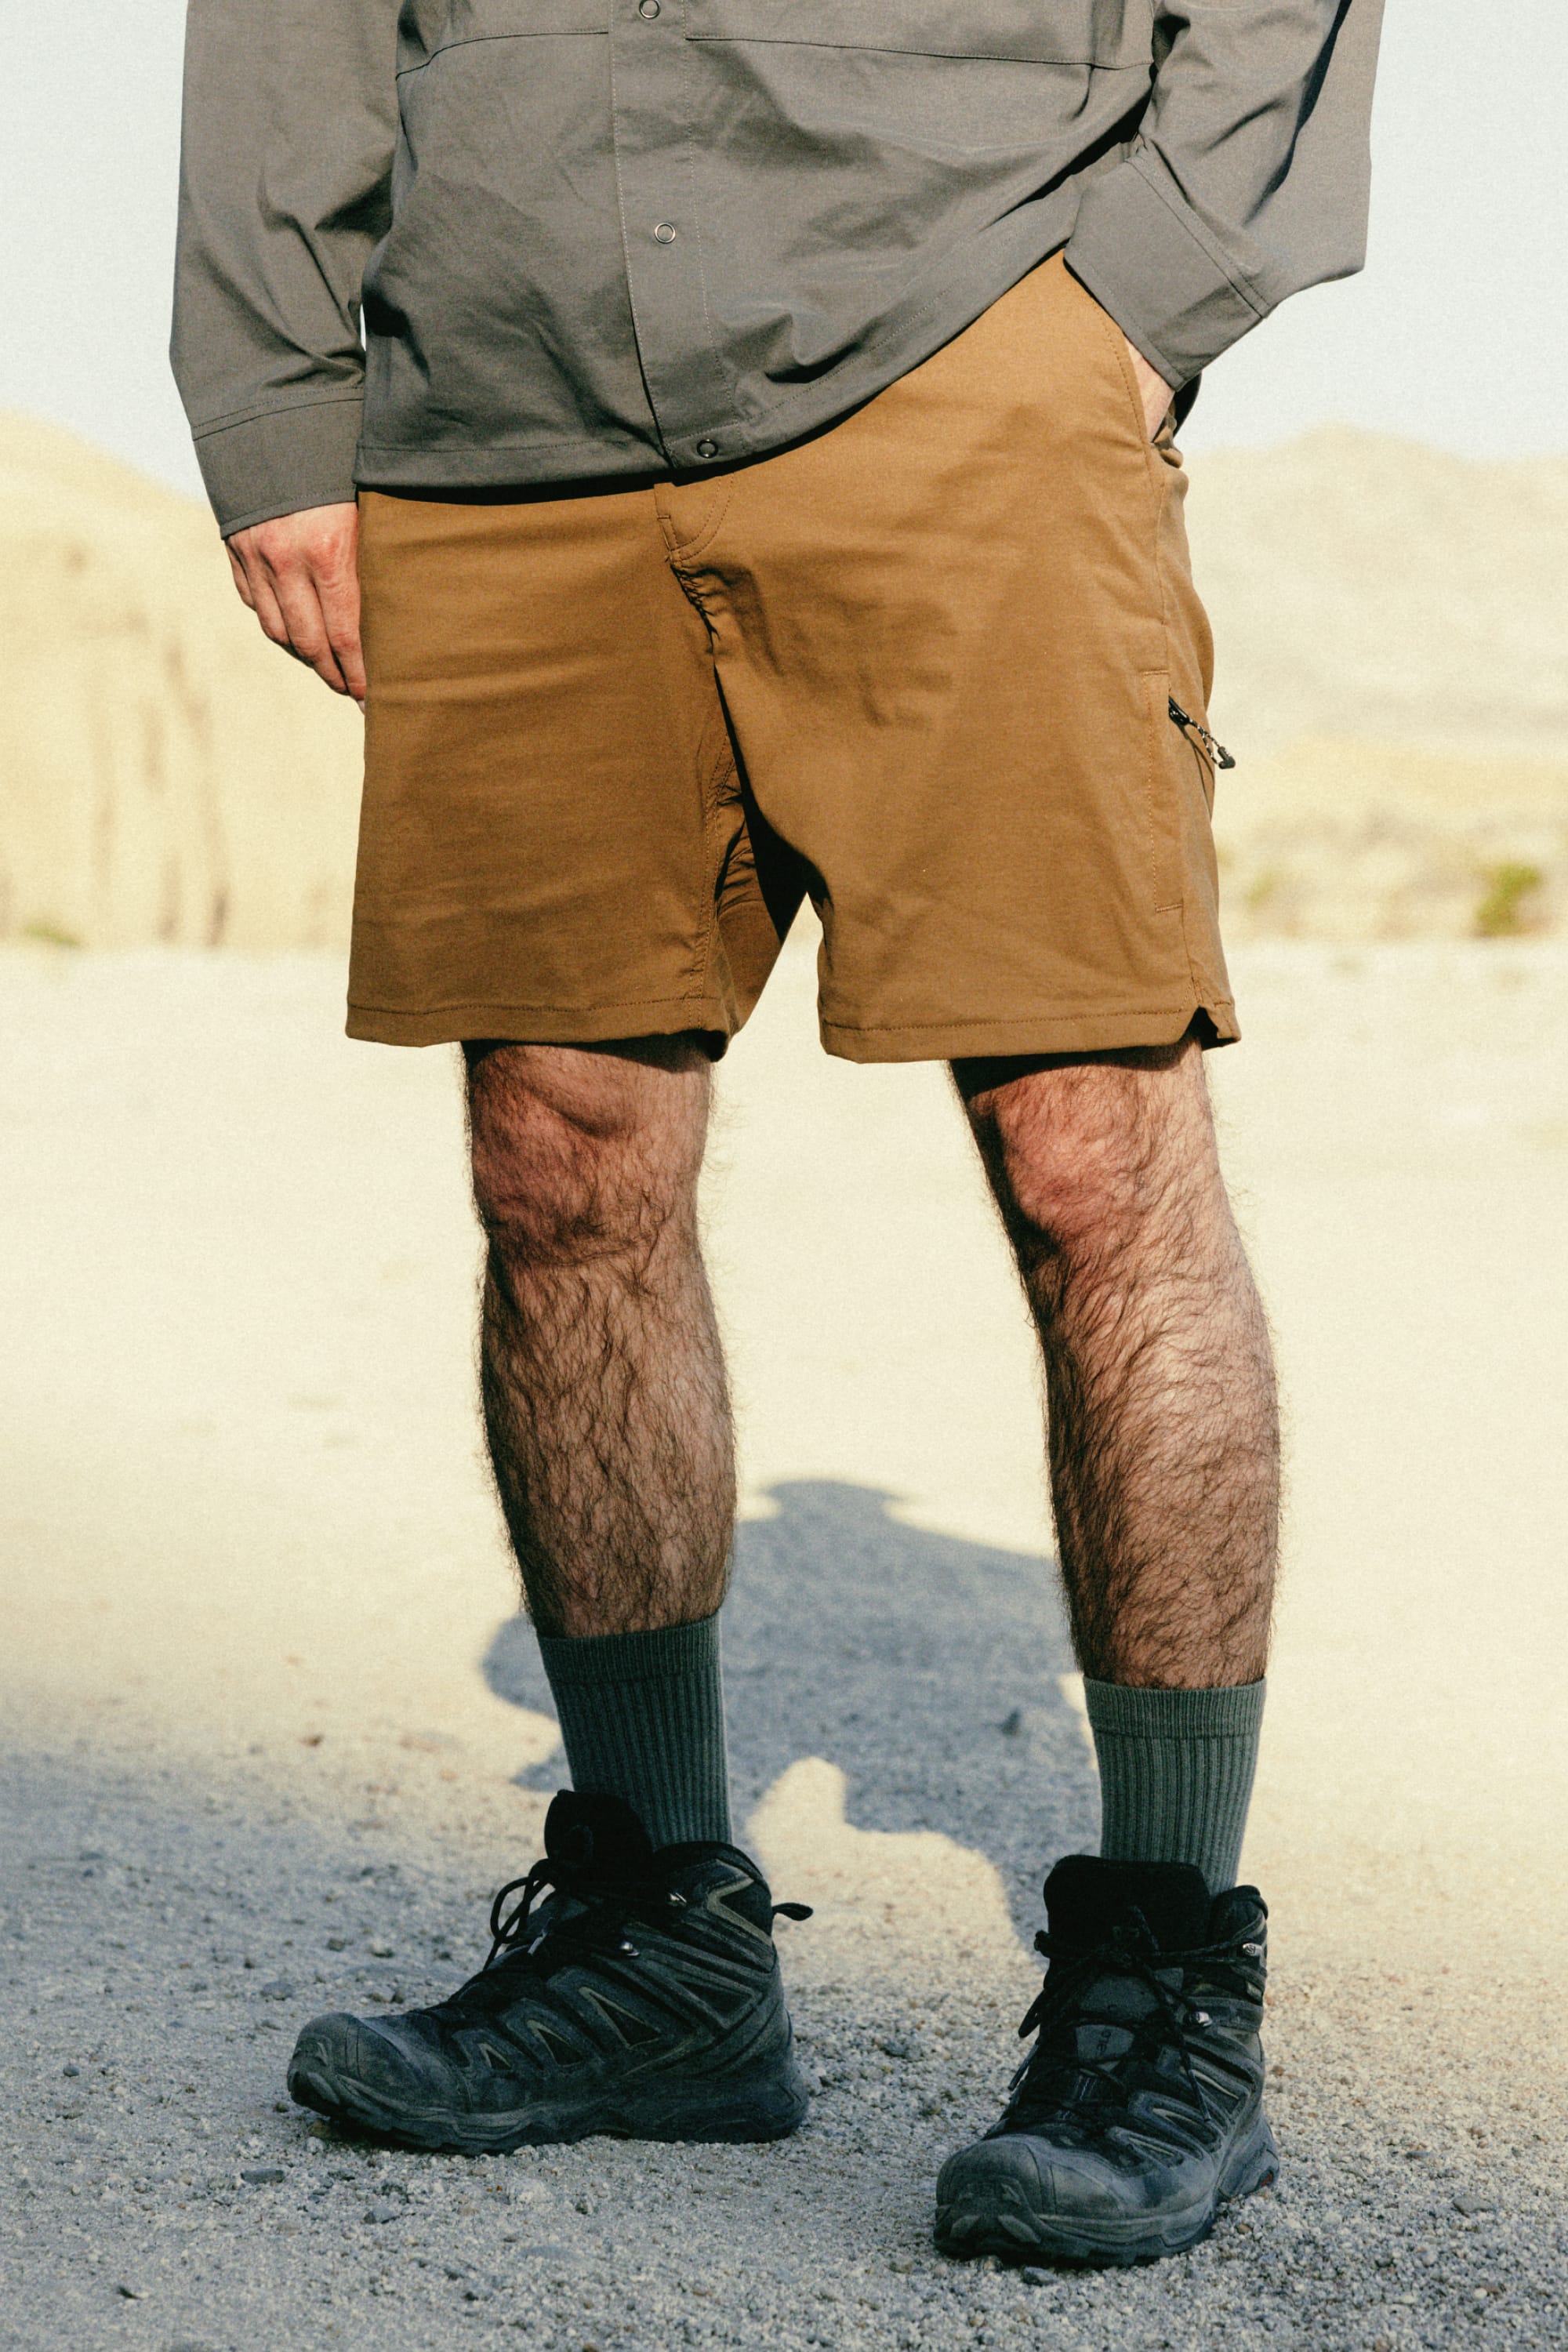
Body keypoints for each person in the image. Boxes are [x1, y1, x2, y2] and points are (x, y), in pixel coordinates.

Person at [172, 0, 1382, 2267]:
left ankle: (1161, 1978)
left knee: (1093, 1151)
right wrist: (269, 393)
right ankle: (657, 1952)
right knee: (560, 1158)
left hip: (965, 346)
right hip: (500, 419)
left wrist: (1144, 286)